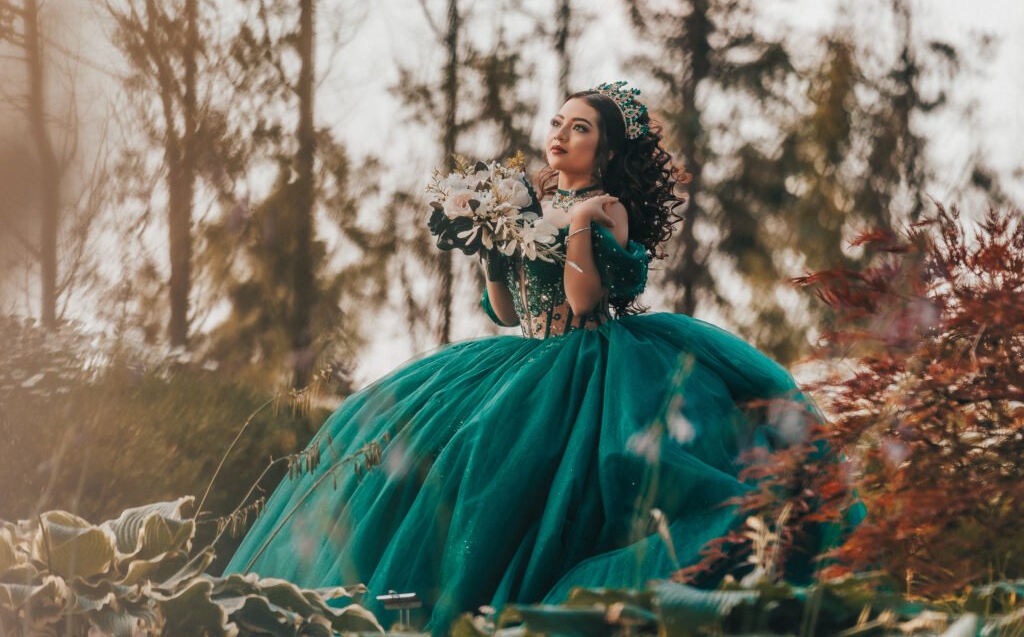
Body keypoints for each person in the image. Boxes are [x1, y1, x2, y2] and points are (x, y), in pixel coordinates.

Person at [224, 82, 846, 634]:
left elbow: (582, 299)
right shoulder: (530, 203)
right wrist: (492, 241)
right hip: (526, 358)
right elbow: (506, 313)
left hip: (601, 363)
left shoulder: (606, 209)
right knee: (444, 454)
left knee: (562, 483)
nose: (561, 136)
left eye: (581, 128)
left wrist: (574, 221)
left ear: (604, 151)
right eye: (558, 123)